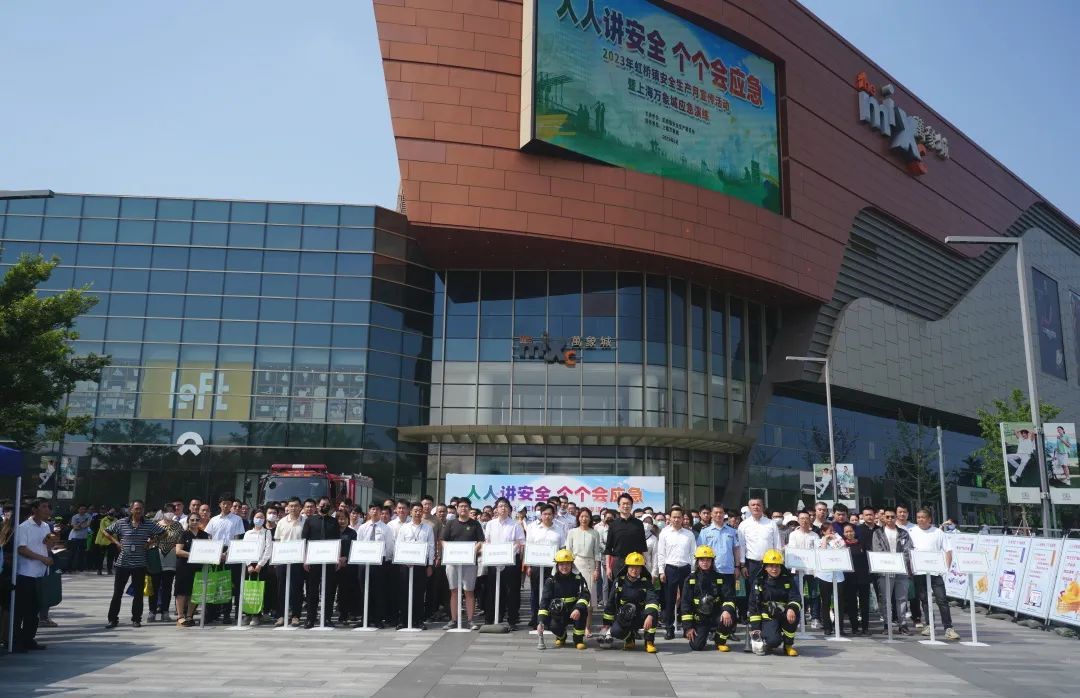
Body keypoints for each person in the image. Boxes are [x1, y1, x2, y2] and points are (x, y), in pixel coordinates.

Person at [103, 500, 158, 629]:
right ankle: (112, 619)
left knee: (138, 593)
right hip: (123, 563)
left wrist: (150, 543)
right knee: (117, 593)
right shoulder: (122, 522)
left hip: (140, 563)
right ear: (131, 510)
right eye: (136, 508)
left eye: (141, 509)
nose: (138, 511)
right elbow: (106, 531)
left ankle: (136, 619)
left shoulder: (148, 523)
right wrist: (116, 542)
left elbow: (163, 533)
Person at [909, 508, 959, 640]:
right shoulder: (911, 532)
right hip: (919, 571)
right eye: (918, 517)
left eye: (923, 517)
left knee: (941, 599)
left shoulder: (938, 532)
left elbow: (948, 550)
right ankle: (929, 625)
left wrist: (946, 568)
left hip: (936, 571)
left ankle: (948, 627)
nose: (920, 520)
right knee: (925, 600)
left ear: (929, 519)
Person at [598, 552, 660, 653]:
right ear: (627, 567)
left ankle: (649, 642)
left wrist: (650, 615)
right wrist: (606, 624)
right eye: (632, 567)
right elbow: (611, 603)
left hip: (641, 616)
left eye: (637, 567)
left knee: (653, 613)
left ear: (642, 569)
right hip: (624, 617)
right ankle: (629, 639)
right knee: (615, 631)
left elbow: (652, 599)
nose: (634, 570)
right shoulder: (619, 582)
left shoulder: (646, 582)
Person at [679, 545, 737, 651]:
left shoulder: (720, 578)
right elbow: (685, 604)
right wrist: (688, 627)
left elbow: (729, 597)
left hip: (716, 614)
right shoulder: (690, 579)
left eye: (708, 560)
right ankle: (702, 635)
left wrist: (727, 610)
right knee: (696, 646)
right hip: (699, 618)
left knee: (730, 615)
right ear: (697, 561)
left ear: (712, 561)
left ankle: (720, 641)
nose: (705, 563)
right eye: (702, 560)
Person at [13, 499, 53, 652]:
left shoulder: (46, 526)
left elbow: (46, 547)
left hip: (40, 574)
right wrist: (42, 558)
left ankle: (29, 639)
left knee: (34, 610)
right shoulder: (24, 527)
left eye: (48, 507)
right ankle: (16, 641)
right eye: (44, 507)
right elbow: (22, 549)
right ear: (34, 509)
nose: (47, 510)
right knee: (22, 610)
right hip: (26, 573)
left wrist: (51, 545)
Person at [441, 497, 484, 630]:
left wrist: (472, 551)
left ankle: (470, 620)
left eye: (466, 506)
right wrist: (449, 550)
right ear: (457, 508)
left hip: (469, 562)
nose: (463, 508)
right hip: (452, 562)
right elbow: (443, 540)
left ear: (469, 508)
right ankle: (453, 620)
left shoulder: (475, 524)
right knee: (454, 591)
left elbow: (481, 541)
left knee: (469, 591)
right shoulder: (450, 523)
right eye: (461, 506)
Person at [748, 549, 800, 656]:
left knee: (794, 615)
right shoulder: (759, 582)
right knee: (773, 642)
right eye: (771, 566)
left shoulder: (788, 580)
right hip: (768, 616)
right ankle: (765, 638)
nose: (774, 569)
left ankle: (788, 645)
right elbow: (753, 606)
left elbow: (796, 598)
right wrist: (755, 628)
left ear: (781, 567)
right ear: (765, 567)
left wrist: (792, 609)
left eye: (777, 566)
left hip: (785, 614)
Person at [483, 497, 526, 629]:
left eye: (505, 506)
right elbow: (487, 541)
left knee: (512, 591)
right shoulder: (490, 524)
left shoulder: (515, 525)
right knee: (493, 590)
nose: (503, 508)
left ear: (509, 509)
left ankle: (512, 619)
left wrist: (509, 553)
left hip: (511, 562)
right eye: (500, 506)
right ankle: (492, 618)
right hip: (494, 561)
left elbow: (520, 543)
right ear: (496, 509)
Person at [871, 506, 913, 635]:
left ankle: (903, 624)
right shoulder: (878, 533)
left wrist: (899, 562)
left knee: (902, 598)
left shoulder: (904, 533)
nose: (890, 519)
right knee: (886, 599)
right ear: (883, 517)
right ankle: (887, 624)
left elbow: (908, 550)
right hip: (885, 570)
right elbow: (877, 550)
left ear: (896, 517)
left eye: (892, 517)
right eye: (887, 517)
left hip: (901, 570)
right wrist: (889, 562)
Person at [204, 495, 246, 623]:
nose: (226, 506)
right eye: (224, 503)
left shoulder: (237, 519)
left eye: (228, 503)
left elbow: (237, 538)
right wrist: (216, 552)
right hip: (215, 551)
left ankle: (227, 613)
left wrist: (227, 553)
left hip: (231, 551)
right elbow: (209, 537)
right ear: (220, 505)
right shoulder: (213, 519)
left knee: (228, 583)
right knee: (214, 582)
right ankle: (211, 613)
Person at [537, 549, 590, 650]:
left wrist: (578, 608)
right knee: (552, 625)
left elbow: (585, 595)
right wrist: (541, 621)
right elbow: (544, 601)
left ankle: (578, 640)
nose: (564, 567)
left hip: (574, 610)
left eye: (567, 564)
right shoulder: (551, 581)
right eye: (561, 564)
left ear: (572, 565)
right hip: (558, 611)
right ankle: (561, 636)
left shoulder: (578, 578)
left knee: (582, 613)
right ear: (557, 565)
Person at [657, 505, 696, 640]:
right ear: (670, 518)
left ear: (683, 518)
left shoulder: (689, 534)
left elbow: (693, 554)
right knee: (669, 600)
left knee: (687, 600)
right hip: (670, 569)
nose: (676, 520)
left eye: (679, 517)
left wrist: (693, 571)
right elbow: (661, 553)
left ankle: (687, 628)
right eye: (674, 517)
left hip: (686, 569)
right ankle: (669, 629)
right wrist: (661, 571)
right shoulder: (664, 533)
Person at [525, 503, 567, 629]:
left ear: (553, 515)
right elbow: (528, 547)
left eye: (549, 514)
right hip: (536, 565)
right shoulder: (533, 529)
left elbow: (563, 547)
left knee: (551, 592)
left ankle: (549, 619)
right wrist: (528, 566)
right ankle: (535, 619)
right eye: (545, 514)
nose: (547, 516)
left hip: (553, 566)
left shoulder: (559, 529)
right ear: (541, 515)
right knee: (535, 592)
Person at [395, 502, 435, 630]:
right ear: (410, 512)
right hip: (405, 564)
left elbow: (431, 547)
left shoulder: (428, 528)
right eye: (415, 510)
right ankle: (403, 621)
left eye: (420, 510)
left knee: (419, 593)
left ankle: (418, 620)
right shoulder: (404, 528)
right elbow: (398, 545)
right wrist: (402, 560)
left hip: (421, 565)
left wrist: (430, 564)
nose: (418, 513)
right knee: (404, 592)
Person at [302, 496, 339, 629]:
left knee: (328, 590)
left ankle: (327, 617)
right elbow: (304, 540)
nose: (325, 507)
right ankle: (310, 618)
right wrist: (305, 559)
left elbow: (337, 540)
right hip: (313, 560)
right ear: (318, 506)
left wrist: (337, 558)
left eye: (327, 505)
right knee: (312, 590)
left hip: (329, 560)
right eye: (323, 504)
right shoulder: (310, 521)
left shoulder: (333, 521)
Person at [355, 502, 394, 628]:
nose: (375, 511)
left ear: (380, 512)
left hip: (379, 564)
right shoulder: (363, 527)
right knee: (364, 591)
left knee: (378, 592)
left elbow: (389, 547)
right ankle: (365, 619)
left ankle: (377, 619)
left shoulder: (386, 528)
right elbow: (358, 544)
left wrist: (385, 560)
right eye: (372, 509)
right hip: (364, 563)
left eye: (377, 509)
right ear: (369, 511)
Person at [564, 507, 602, 634]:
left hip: (590, 566)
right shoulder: (572, 532)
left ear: (590, 518)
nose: (584, 519)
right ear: (578, 518)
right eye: (581, 516)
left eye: (586, 516)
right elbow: (568, 551)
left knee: (589, 599)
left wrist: (597, 569)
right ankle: (574, 625)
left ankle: (587, 627)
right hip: (575, 565)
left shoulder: (595, 533)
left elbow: (597, 553)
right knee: (574, 596)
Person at [603, 493, 648, 587]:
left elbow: (643, 546)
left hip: (635, 562)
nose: (626, 506)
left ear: (631, 506)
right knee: (618, 590)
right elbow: (608, 548)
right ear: (619, 506)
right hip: (619, 562)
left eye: (628, 504)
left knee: (635, 589)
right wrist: (608, 568)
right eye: (623, 503)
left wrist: (644, 564)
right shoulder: (613, 525)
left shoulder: (639, 524)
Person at [273, 497, 304, 627]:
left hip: (299, 559)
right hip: (282, 559)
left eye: (296, 506)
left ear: (300, 507)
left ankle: (296, 616)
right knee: (281, 588)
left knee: (297, 588)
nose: (293, 508)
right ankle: (281, 616)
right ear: (288, 507)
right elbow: (277, 541)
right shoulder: (281, 522)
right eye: (291, 506)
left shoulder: (305, 521)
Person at [174, 515, 210, 627]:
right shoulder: (183, 534)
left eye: (197, 520)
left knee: (195, 592)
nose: (194, 522)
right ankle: (180, 616)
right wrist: (193, 554)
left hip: (198, 567)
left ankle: (190, 616)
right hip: (183, 566)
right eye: (192, 520)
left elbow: (209, 549)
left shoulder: (204, 535)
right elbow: (178, 551)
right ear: (188, 521)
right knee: (181, 592)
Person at [148, 508, 182, 623]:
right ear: (162, 512)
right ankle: (152, 611)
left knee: (167, 587)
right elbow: (149, 540)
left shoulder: (178, 525)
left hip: (171, 559)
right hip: (156, 559)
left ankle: (165, 612)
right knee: (154, 587)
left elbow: (181, 540)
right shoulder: (155, 525)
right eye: (167, 511)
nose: (170, 513)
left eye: (172, 511)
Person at [788, 511, 820, 629]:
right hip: (798, 569)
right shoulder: (793, 534)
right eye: (802, 518)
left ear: (810, 520)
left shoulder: (815, 535)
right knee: (798, 594)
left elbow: (817, 551)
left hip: (812, 570)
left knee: (814, 594)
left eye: (806, 518)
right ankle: (800, 618)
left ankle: (815, 617)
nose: (804, 520)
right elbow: (793, 550)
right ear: (798, 520)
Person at [241, 510, 273, 626]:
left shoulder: (267, 532)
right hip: (249, 565)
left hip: (261, 565)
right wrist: (249, 564)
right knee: (248, 589)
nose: (259, 519)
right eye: (257, 517)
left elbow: (268, 549)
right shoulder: (248, 533)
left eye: (261, 517)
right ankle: (247, 614)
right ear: (253, 518)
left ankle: (257, 615)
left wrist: (260, 564)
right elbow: (244, 549)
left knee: (259, 590)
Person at [737, 497, 780, 585]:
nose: (756, 507)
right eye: (753, 505)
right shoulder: (743, 525)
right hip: (751, 564)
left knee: (769, 588)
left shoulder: (771, 523)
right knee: (751, 589)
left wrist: (777, 563)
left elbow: (777, 544)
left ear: (762, 507)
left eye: (758, 505)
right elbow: (741, 546)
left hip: (769, 564)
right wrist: (742, 565)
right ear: (749, 508)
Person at [816, 525, 847, 635]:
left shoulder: (838, 539)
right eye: (830, 531)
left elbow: (844, 551)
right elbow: (821, 553)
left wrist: (835, 540)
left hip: (838, 575)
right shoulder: (818, 541)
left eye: (833, 530)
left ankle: (839, 626)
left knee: (839, 602)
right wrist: (825, 539)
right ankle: (827, 626)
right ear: (823, 532)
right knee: (826, 602)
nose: (832, 532)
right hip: (824, 575)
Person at [841, 522, 871, 635]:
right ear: (843, 533)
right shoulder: (842, 545)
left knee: (864, 603)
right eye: (846, 532)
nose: (849, 533)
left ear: (854, 532)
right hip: (849, 578)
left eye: (851, 531)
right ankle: (854, 627)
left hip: (863, 577)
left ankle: (865, 627)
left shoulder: (862, 543)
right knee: (852, 603)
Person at [330, 509, 357, 625]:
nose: (341, 521)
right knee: (330, 591)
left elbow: (354, 548)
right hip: (333, 565)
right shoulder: (331, 532)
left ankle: (344, 615)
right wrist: (335, 559)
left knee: (344, 592)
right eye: (339, 518)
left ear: (347, 519)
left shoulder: (352, 533)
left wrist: (345, 558)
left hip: (346, 566)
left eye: (344, 518)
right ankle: (327, 615)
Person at [67, 504, 92, 572]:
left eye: (84, 509)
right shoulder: (75, 517)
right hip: (75, 537)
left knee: (82, 553)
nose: (83, 510)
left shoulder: (88, 516)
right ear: (78, 510)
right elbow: (75, 527)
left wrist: (79, 526)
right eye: (81, 509)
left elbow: (87, 525)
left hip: (84, 537)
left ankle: (80, 568)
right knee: (73, 553)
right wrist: (81, 526)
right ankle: (70, 568)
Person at [95, 507, 118, 575]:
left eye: (113, 512)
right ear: (108, 512)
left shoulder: (117, 520)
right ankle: (99, 569)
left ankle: (109, 570)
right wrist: (111, 533)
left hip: (112, 541)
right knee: (101, 556)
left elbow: (117, 529)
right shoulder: (103, 520)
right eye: (111, 512)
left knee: (111, 556)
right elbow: (103, 530)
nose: (112, 513)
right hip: (103, 541)